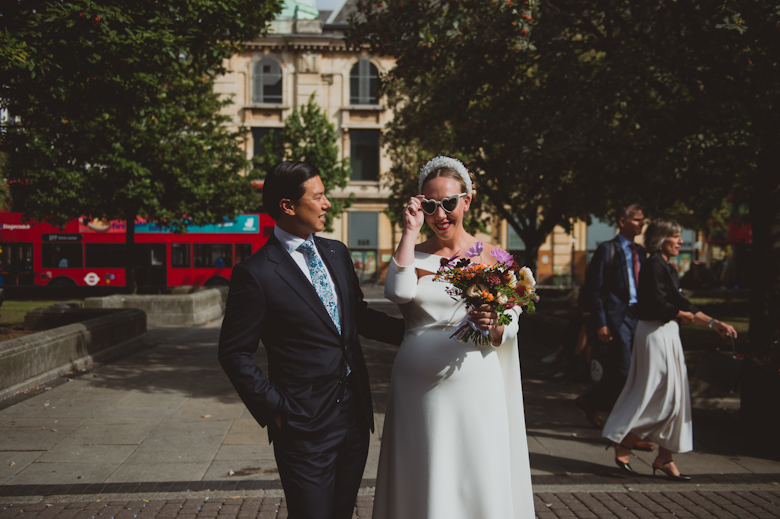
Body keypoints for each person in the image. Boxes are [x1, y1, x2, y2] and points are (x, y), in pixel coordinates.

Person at [218, 161, 405, 519]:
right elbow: (234, 352)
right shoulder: (255, 273)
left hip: (354, 417)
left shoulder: (336, 253)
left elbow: (358, 317)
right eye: (318, 196)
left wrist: (420, 334)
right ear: (288, 206)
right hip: (302, 425)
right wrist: (275, 408)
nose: (327, 204)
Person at [373, 156, 534, 519]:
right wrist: (410, 231)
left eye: (448, 203)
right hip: (417, 392)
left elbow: (511, 325)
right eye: (430, 205)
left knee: (476, 471)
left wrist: (494, 322)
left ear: (467, 200)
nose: (440, 213)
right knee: (422, 473)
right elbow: (397, 293)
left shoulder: (495, 257)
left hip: (476, 385)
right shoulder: (412, 254)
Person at [602, 218, 737, 480]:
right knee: (661, 395)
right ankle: (625, 440)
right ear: (662, 238)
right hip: (655, 333)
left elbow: (681, 302)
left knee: (676, 397)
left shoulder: (666, 266)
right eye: (676, 236)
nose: (681, 241)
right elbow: (657, 304)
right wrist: (679, 313)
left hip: (666, 333)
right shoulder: (654, 266)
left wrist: (713, 322)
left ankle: (664, 457)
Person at [575, 204, 650, 440]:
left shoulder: (641, 252)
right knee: (625, 369)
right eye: (637, 220)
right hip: (617, 318)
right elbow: (594, 291)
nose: (641, 224)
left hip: (639, 316)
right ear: (622, 221)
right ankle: (605, 411)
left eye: (642, 220)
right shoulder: (606, 250)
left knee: (628, 369)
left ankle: (590, 401)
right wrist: (601, 323)